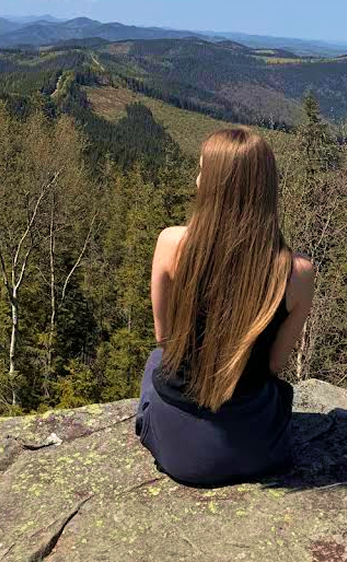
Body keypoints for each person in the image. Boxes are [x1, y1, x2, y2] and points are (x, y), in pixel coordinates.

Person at [135, 127, 315, 486]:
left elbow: (164, 337)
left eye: (202, 171)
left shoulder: (171, 244)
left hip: (178, 450)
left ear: (215, 185)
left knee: (156, 361)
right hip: (255, 450)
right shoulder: (297, 273)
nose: (197, 179)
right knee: (274, 395)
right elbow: (274, 366)